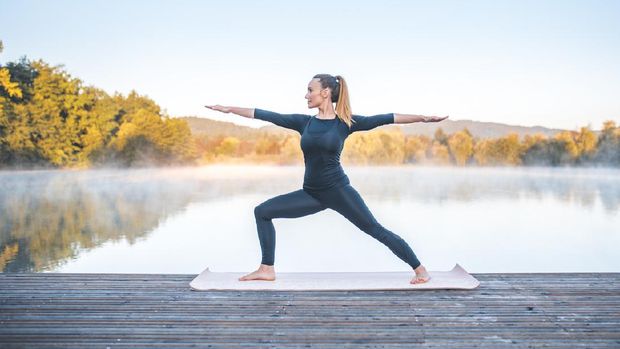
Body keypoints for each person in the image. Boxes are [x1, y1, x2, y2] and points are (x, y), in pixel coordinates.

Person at [206, 74, 448, 284]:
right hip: (311, 194)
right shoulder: (304, 123)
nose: (305, 95)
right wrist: (229, 109)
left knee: (375, 229)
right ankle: (267, 269)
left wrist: (423, 118)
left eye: (309, 90)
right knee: (262, 211)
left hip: (339, 192)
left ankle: (420, 270)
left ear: (325, 92)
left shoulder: (346, 123)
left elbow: (387, 117)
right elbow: (265, 115)